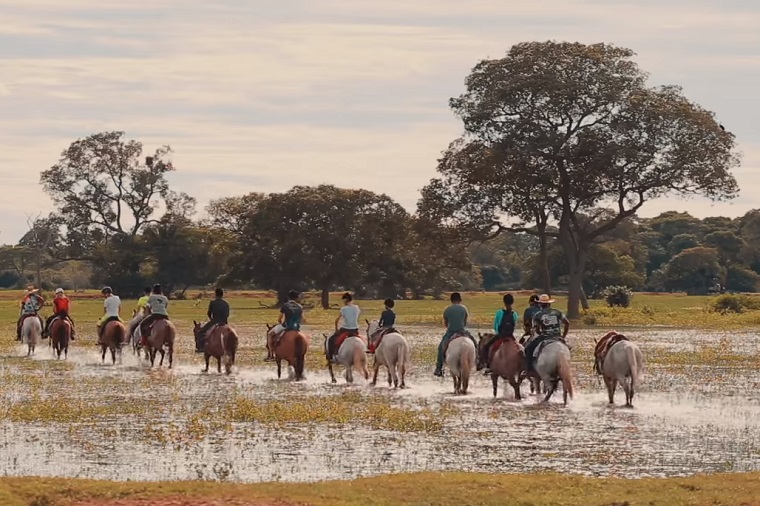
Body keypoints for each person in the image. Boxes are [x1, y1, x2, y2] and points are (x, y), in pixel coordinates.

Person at [434, 292, 478, 377]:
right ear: (460, 300)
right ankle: (479, 360)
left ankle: (439, 368)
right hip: (462, 330)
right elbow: (465, 322)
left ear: (451, 300)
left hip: (451, 331)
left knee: (441, 347)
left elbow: (446, 323)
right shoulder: (464, 308)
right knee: (474, 343)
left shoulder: (447, 309)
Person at [523, 294, 570, 373]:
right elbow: (567, 323)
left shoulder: (538, 315)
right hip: (557, 337)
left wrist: (540, 332)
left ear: (540, 304)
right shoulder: (557, 312)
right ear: (549, 304)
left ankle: (530, 370)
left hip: (545, 337)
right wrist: (563, 336)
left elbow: (537, 330)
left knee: (529, 348)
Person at [479, 293, 519, 373]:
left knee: (486, 346)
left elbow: (496, 326)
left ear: (504, 302)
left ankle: (488, 365)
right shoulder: (514, 314)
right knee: (520, 348)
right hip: (510, 336)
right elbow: (514, 325)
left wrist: (498, 332)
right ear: (512, 302)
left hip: (500, 335)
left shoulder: (499, 312)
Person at [265, 290, 304, 361]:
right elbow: (302, 319)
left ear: (289, 297)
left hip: (286, 326)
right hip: (296, 328)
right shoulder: (300, 307)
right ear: (297, 298)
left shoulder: (285, 305)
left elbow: (279, 318)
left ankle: (271, 355)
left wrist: (280, 322)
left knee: (270, 334)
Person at [326, 292, 360, 362]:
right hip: (355, 329)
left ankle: (331, 356)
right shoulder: (357, 308)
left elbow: (337, 320)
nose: (343, 302)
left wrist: (336, 329)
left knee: (331, 339)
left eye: (343, 300)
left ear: (346, 299)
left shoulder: (343, 309)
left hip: (346, 329)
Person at [197, 287, 230, 353]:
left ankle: (201, 348)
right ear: (222, 294)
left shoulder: (213, 303)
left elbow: (209, 313)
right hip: (224, 322)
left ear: (215, 294)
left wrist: (212, 319)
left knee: (201, 332)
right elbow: (227, 315)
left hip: (215, 321)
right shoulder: (226, 303)